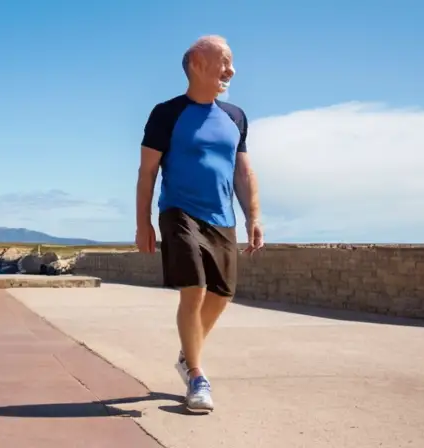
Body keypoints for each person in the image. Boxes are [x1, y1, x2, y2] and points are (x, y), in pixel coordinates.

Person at [135, 35, 264, 412]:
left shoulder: (235, 117)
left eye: (232, 61)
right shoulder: (166, 113)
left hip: (222, 217)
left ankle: (186, 354)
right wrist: (143, 222)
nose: (231, 69)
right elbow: (147, 173)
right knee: (194, 288)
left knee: (221, 296)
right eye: (223, 60)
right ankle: (196, 376)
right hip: (179, 211)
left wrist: (254, 216)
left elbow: (243, 172)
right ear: (195, 62)